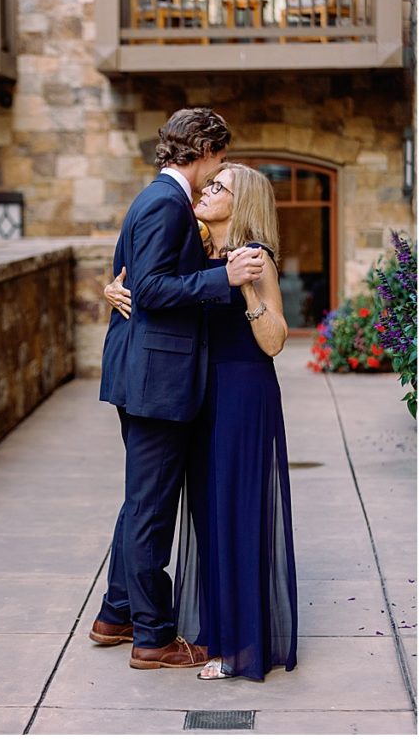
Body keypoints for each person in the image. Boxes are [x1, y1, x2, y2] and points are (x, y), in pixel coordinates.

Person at [105, 163, 297, 681]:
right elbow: (154, 286)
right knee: (205, 516)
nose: (205, 191)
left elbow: (276, 341)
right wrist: (114, 290)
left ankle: (240, 647)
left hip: (240, 394)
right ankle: (212, 631)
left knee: (234, 514)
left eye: (218, 188)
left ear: (242, 202)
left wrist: (250, 291)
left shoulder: (256, 256)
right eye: (208, 184)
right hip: (194, 395)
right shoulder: (194, 247)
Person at [91, 108, 266, 670]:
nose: (217, 172)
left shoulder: (156, 199)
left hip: (146, 373)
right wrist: (225, 279)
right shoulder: (166, 203)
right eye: (217, 159)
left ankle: (116, 613)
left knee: (141, 500)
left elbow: (132, 277)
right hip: (156, 380)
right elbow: (153, 287)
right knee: (150, 509)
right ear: (205, 149)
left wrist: (117, 287)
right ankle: (153, 637)